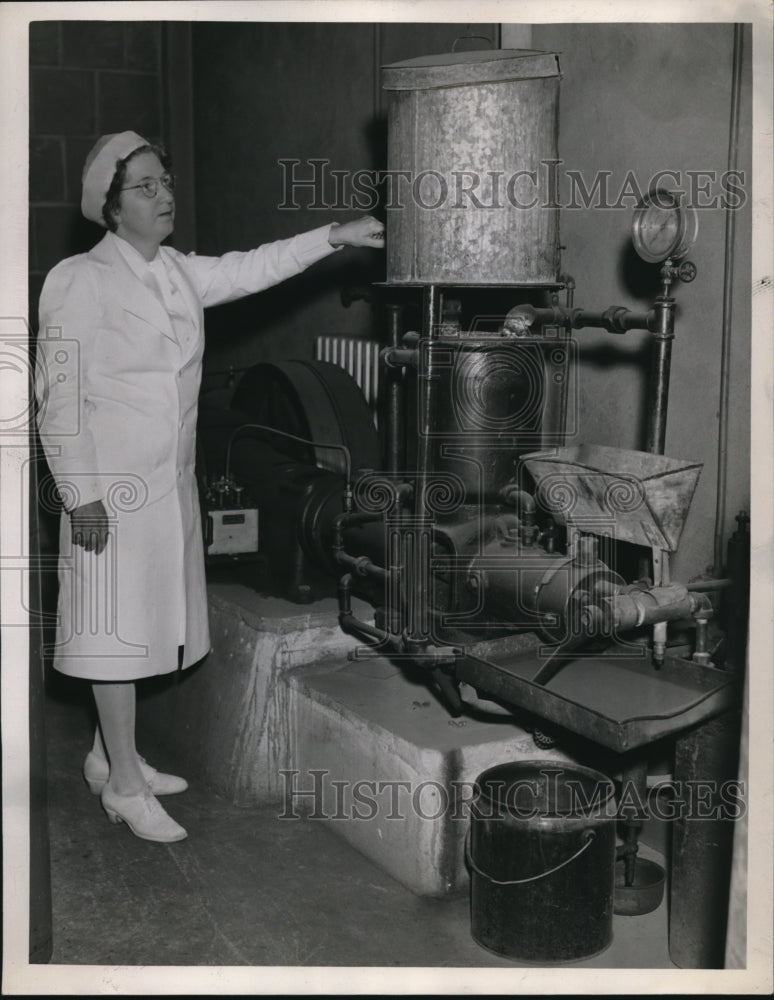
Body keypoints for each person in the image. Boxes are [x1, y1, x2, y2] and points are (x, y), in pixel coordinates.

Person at [35, 130, 384, 844]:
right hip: (109, 490)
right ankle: (126, 787)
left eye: (166, 181)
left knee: (148, 624)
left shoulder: (174, 272)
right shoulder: (77, 280)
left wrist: (336, 235)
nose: (165, 196)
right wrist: (82, 495)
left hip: (168, 487)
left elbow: (255, 268)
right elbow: (58, 400)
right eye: (147, 187)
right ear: (110, 207)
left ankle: (109, 757)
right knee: (114, 633)